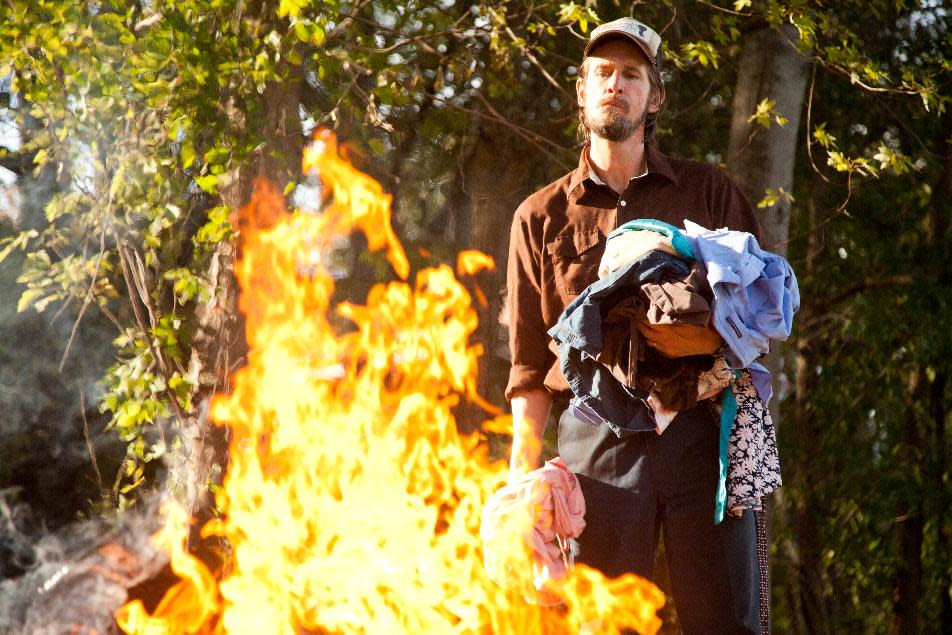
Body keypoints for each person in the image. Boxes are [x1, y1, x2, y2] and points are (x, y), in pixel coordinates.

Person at [505, 17, 766, 634]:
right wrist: (522, 481)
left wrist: (708, 343)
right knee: (600, 626)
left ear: (655, 97)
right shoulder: (538, 217)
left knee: (726, 620)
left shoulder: (711, 193)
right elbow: (525, 364)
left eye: (631, 75)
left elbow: (765, 317)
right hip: (595, 449)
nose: (614, 85)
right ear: (581, 90)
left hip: (704, 440)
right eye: (602, 73)